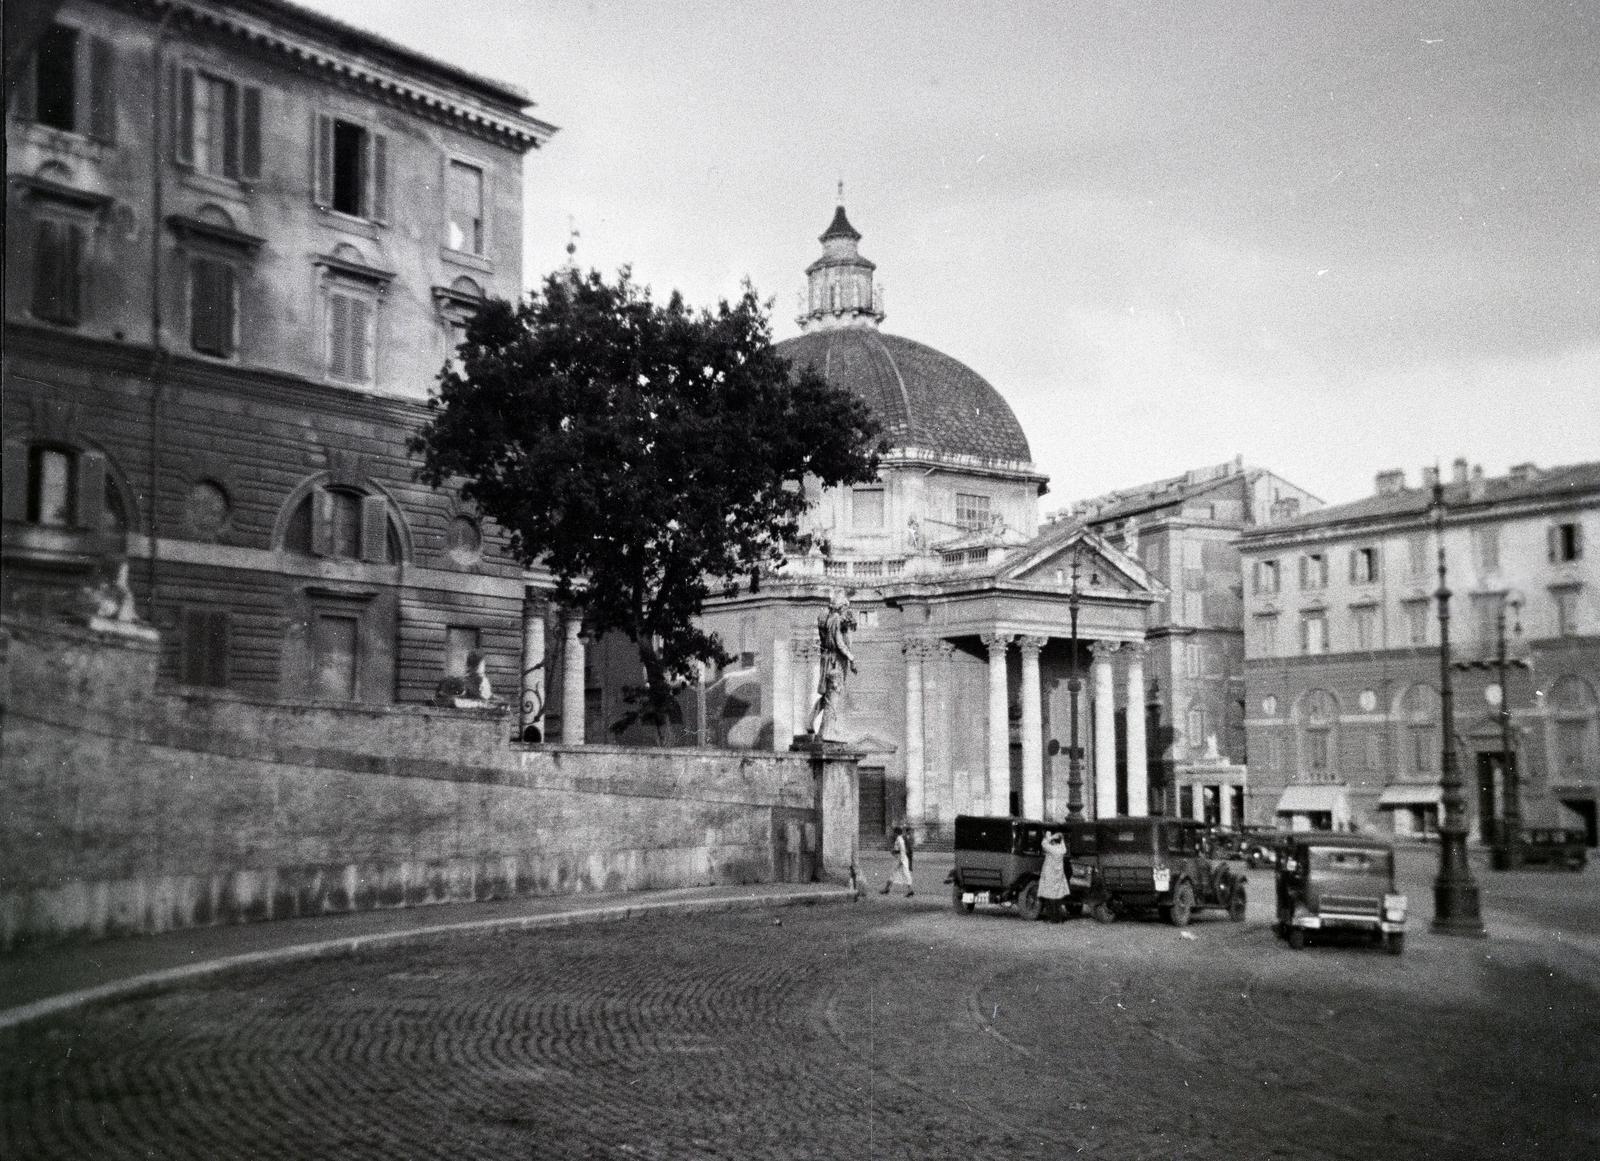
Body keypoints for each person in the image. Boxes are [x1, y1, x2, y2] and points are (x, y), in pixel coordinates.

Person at [808, 591, 857, 740]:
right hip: (836, 659)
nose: (846, 610)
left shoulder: (828, 618)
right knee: (834, 693)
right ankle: (827, 730)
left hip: (828, 658)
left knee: (828, 693)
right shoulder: (835, 619)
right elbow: (839, 642)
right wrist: (851, 657)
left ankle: (810, 720)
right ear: (841, 606)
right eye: (845, 607)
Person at [1037, 830, 1071, 922]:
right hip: (1058, 876)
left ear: (1053, 841)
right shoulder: (1062, 849)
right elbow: (1062, 844)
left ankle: (1052, 917)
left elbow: (1043, 843)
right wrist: (1060, 837)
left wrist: (1049, 836)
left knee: (1049, 897)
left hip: (1050, 875)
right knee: (1058, 897)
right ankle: (1058, 917)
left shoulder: (1051, 849)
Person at [880, 825, 914, 897]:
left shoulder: (900, 839)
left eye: (894, 832)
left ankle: (910, 890)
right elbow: (898, 850)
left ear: (896, 833)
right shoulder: (899, 839)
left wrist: (901, 860)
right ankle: (887, 889)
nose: (893, 834)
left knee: (904, 873)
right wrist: (894, 852)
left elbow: (902, 850)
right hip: (900, 858)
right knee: (895, 873)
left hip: (901, 859)